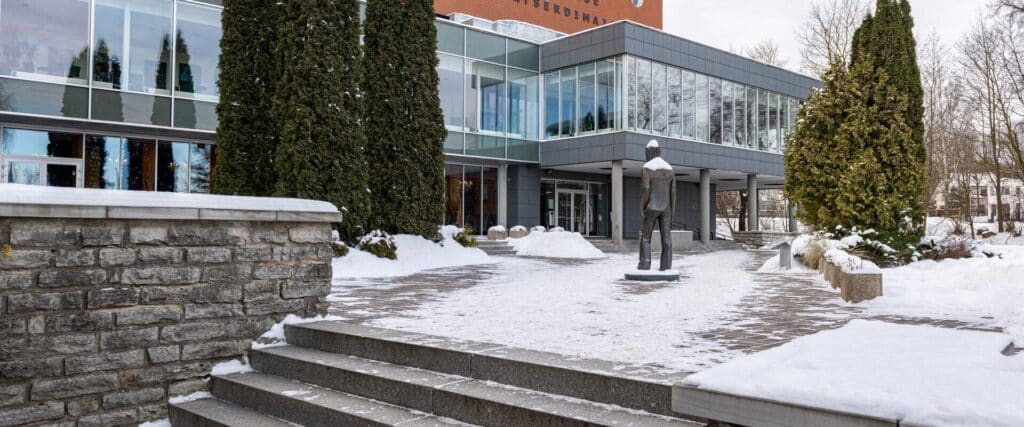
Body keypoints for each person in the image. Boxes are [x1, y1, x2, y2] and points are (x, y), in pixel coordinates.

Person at [638, 140, 676, 271]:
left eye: (646, 152)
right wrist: (672, 213)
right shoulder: (669, 169)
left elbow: (646, 189)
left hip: (651, 207)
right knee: (666, 238)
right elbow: (673, 193)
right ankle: (666, 266)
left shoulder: (647, 168)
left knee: (645, 236)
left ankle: (645, 263)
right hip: (666, 209)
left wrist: (643, 206)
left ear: (649, 152)